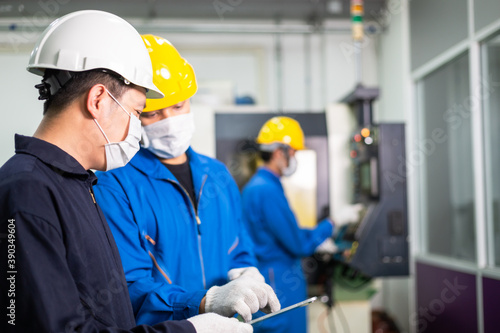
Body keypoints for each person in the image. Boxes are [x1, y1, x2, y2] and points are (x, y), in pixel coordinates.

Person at [0, 11, 251, 333]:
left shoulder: (75, 184)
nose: (138, 128)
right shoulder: (28, 192)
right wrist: (189, 329)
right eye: (137, 111)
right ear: (99, 100)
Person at [93, 34, 280, 326]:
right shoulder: (114, 184)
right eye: (153, 113)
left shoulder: (217, 174)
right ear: (134, 112)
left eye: (178, 106)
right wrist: (204, 303)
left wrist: (246, 271)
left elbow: (239, 248)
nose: (169, 120)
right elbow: (127, 288)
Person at [241, 116, 336, 333]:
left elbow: (285, 232)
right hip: (279, 282)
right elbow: (297, 244)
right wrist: (330, 225)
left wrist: (315, 236)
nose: (294, 158)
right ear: (278, 152)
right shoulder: (266, 190)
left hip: (271, 277)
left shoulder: (259, 185)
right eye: (293, 152)